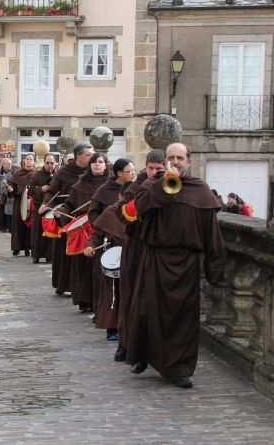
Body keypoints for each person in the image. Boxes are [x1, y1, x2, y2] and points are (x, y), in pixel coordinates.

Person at [125, 143, 225, 388]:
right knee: (147, 311)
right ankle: (144, 356)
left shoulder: (199, 189)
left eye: (180, 157)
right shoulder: (153, 186)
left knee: (183, 318)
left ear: (188, 161)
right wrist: (159, 189)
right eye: (171, 157)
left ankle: (181, 369)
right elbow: (132, 216)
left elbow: (212, 231)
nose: (176, 161)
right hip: (156, 257)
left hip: (186, 262)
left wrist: (215, 267)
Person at [115, 149, 165, 363]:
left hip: (159, 249)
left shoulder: (174, 185)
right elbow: (122, 214)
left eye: (159, 169)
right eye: (151, 168)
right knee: (129, 297)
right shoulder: (135, 187)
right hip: (135, 247)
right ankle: (125, 343)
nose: (154, 172)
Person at [55, 152, 108, 312]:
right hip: (82, 230)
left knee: (99, 266)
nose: (97, 165)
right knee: (82, 266)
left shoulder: (111, 185)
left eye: (100, 162)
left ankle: (100, 300)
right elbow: (69, 204)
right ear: (89, 165)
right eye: (94, 162)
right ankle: (84, 300)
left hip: (102, 229)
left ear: (106, 165)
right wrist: (61, 210)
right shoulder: (80, 184)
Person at [39, 143, 92, 295]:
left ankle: (81, 287)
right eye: (88, 155)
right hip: (66, 216)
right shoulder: (63, 171)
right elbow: (51, 191)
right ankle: (63, 284)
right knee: (64, 252)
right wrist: (45, 204)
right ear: (78, 156)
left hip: (86, 218)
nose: (91, 157)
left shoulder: (92, 171)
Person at [84, 182, 130, 343]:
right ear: (120, 196)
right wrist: (90, 246)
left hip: (134, 258)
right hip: (114, 257)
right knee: (112, 295)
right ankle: (112, 328)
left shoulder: (141, 212)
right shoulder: (111, 211)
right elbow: (96, 234)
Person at [29, 154, 55, 264]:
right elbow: (30, 190)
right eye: (47, 163)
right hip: (39, 207)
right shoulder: (37, 175)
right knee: (38, 232)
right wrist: (40, 189)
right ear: (44, 163)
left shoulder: (57, 175)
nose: (49, 165)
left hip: (51, 208)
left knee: (50, 232)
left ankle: (49, 255)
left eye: (52, 163)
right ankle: (36, 255)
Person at [9, 153, 36, 257]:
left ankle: (27, 247)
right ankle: (17, 248)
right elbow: (12, 185)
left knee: (29, 225)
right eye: (27, 159)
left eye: (31, 159)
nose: (29, 161)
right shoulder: (18, 173)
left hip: (31, 202)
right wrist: (11, 189)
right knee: (18, 225)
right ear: (24, 161)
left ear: (33, 162)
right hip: (19, 201)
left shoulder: (36, 173)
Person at [0, 159, 13, 232]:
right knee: (0, 212)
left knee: (7, 212)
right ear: (3, 165)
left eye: (10, 164)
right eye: (8, 164)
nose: (10, 165)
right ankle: (0, 227)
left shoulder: (12, 172)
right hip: (0, 195)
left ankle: (7, 227)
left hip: (9, 195)